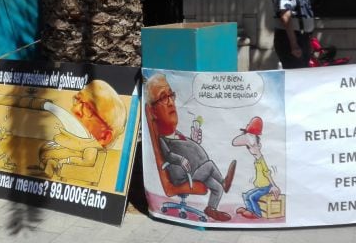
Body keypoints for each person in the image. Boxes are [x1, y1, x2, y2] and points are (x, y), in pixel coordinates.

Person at [145, 74, 236, 222]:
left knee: (216, 188)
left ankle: (211, 209)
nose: (170, 102)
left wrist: (193, 141)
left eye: (171, 95)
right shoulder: (162, 138)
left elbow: (186, 149)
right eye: (163, 98)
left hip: (196, 172)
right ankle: (224, 182)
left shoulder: (177, 134)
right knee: (210, 165)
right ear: (153, 111)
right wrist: (179, 159)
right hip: (184, 176)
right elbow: (167, 155)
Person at [39, 80, 127, 181]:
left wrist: (68, 160)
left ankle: (50, 165)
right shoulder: (84, 137)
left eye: (88, 109)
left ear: (105, 136)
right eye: (77, 100)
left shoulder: (91, 149)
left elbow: (87, 161)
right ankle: (48, 165)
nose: (76, 109)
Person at [232, 117, 281, 219]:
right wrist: (247, 136)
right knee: (246, 195)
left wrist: (274, 186)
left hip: (265, 187)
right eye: (249, 147)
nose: (251, 149)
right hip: (260, 187)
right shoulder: (257, 161)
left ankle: (257, 214)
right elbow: (234, 142)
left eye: (254, 145)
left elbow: (267, 173)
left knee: (252, 197)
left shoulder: (261, 160)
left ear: (260, 145)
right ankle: (249, 210)